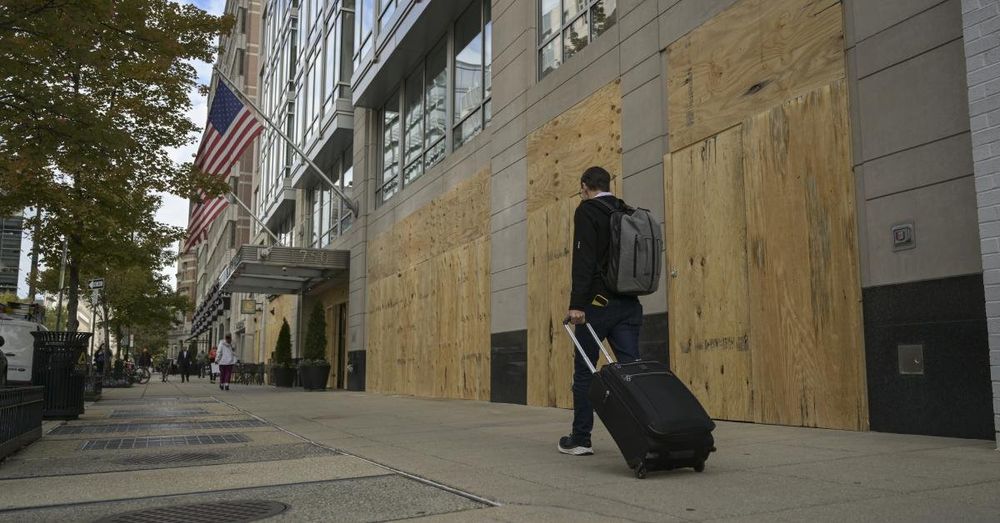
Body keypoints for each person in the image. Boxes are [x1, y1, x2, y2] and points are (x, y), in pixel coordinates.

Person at [559, 166, 643, 457]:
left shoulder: (587, 211)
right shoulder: (626, 211)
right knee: (632, 371)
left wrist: (577, 304)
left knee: (585, 371)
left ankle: (581, 438)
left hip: (597, 306)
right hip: (630, 304)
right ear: (608, 184)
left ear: (585, 186)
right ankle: (648, 432)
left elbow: (583, 259)